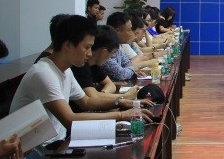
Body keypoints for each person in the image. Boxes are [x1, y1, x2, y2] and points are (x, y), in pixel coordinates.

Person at [10, 16, 153, 143]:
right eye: (87, 47)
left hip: (60, 140)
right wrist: (121, 115)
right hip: (42, 151)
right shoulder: (43, 73)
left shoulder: (65, 70)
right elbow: (69, 120)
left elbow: (86, 102)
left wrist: (125, 102)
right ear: (68, 45)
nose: (90, 54)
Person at [101, 12, 145, 83]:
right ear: (117, 31)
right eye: (129, 30)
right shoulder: (106, 48)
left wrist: (131, 70)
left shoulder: (118, 48)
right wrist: (132, 70)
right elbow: (121, 74)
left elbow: (129, 64)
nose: (131, 33)